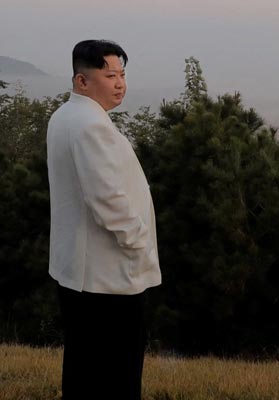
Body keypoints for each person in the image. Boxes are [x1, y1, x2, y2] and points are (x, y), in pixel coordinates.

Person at [46, 39, 161, 400]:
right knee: (117, 372)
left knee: (84, 366)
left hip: (81, 270)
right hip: (106, 274)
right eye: (110, 76)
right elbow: (106, 198)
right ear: (81, 81)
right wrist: (138, 242)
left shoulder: (65, 116)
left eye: (122, 75)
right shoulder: (90, 125)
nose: (120, 84)